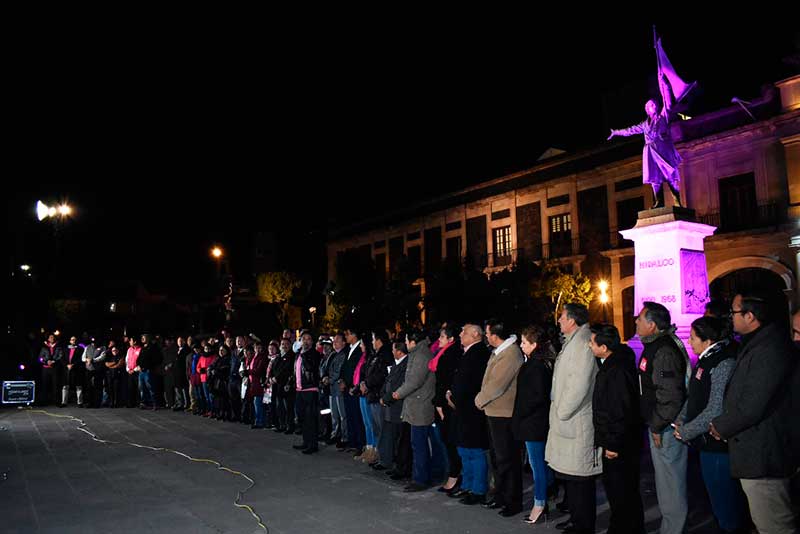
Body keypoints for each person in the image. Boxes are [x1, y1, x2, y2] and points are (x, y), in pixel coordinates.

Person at [673, 316, 742, 534]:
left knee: (726, 502)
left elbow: (715, 409)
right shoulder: (705, 359)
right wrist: (681, 419)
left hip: (718, 447)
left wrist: (686, 431)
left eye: (693, 338)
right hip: (704, 443)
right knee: (714, 499)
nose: (689, 342)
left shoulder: (723, 363)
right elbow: (694, 396)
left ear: (708, 340)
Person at [590, 324, 645, 534]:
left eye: (592, 342)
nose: (589, 345)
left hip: (619, 444)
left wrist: (612, 444)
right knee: (622, 491)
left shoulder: (617, 370)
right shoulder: (614, 363)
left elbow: (620, 410)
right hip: (620, 440)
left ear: (604, 347)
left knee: (621, 491)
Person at [512, 325, 556, 525]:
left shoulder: (537, 366)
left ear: (534, 344)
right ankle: (545, 497)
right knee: (539, 464)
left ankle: (540, 504)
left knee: (537, 465)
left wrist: (521, 413)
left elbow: (536, 396)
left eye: (524, 342)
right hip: (533, 421)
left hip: (534, 423)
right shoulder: (536, 363)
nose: (521, 345)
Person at [608, 98, 682, 208]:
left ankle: (677, 201)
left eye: (654, 104)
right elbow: (630, 130)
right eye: (651, 105)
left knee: (670, 176)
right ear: (647, 110)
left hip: (663, 151)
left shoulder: (663, 117)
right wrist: (616, 132)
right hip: (650, 153)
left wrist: (663, 87)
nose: (654, 106)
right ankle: (658, 202)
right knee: (654, 178)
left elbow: (668, 103)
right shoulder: (644, 124)